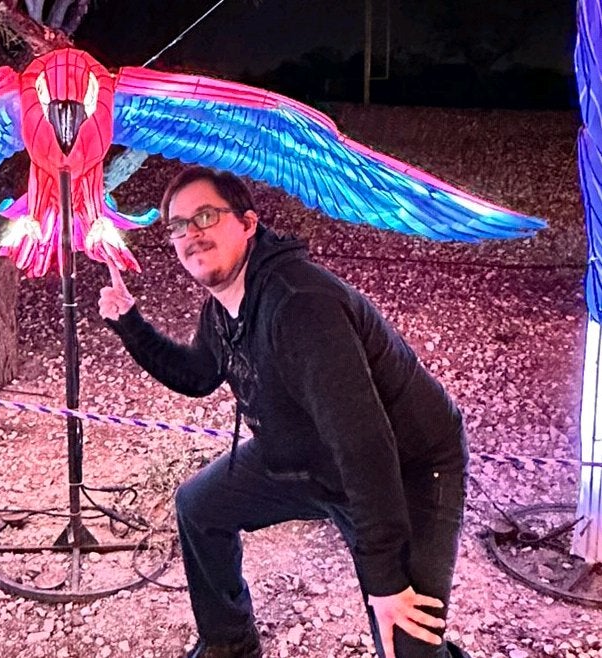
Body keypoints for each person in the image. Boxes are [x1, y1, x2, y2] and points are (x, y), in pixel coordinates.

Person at [99, 166, 470, 658]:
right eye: (179, 225)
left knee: (406, 637)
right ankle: (229, 641)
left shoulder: (300, 306)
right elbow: (198, 375)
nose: (191, 234)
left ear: (248, 223)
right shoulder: (223, 304)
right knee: (199, 507)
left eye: (206, 216)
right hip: (306, 455)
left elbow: (364, 444)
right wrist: (130, 324)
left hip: (407, 465)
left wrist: (384, 579)